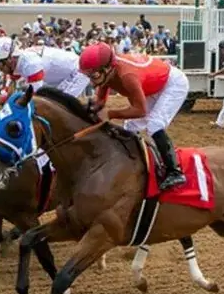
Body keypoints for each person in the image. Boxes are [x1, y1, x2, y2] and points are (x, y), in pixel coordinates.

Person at [81, 41, 189, 191]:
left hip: (172, 84)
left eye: (93, 75)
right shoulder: (109, 71)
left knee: (154, 125)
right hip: (153, 84)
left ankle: (175, 172)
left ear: (107, 68)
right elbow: (101, 98)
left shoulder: (127, 75)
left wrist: (111, 114)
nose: (91, 81)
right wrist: (94, 107)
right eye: (88, 75)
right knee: (130, 127)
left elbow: (140, 110)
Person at [6, 44, 89, 99]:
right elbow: (12, 82)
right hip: (63, 75)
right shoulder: (20, 59)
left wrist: (4, 99)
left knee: (61, 106)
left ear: (10, 59)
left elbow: (34, 97)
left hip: (78, 71)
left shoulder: (30, 63)